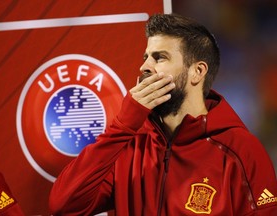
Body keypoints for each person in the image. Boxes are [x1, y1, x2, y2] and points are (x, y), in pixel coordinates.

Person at [49, 14, 277, 215]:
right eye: (145, 57)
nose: (145, 67)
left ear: (197, 72)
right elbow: (64, 205)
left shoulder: (241, 151)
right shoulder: (131, 145)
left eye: (159, 58)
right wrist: (123, 125)